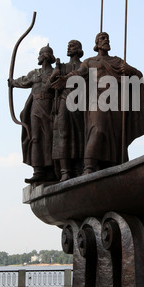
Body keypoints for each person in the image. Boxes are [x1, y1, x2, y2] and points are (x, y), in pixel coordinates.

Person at [52, 32, 144, 174]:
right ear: (96, 44)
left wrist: (130, 70)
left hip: (116, 103)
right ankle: (89, 166)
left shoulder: (118, 61)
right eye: (102, 38)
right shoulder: (89, 62)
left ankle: (111, 166)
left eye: (108, 38)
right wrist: (64, 80)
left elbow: (138, 75)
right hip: (97, 100)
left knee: (115, 136)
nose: (106, 40)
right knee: (97, 129)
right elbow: (77, 74)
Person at [11, 44, 56, 183]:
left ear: (48, 56)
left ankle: (50, 170)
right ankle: (38, 170)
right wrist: (13, 82)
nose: (41, 56)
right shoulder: (34, 73)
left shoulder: (55, 72)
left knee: (49, 138)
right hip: (36, 108)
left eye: (43, 54)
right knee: (35, 138)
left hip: (49, 107)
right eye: (41, 53)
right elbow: (23, 81)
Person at [50, 40, 84, 181]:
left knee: (79, 136)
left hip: (80, 103)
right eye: (68, 45)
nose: (69, 48)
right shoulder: (62, 66)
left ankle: (78, 169)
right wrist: (55, 73)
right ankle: (65, 171)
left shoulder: (84, 65)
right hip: (64, 100)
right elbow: (50, 85)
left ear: (78, 49)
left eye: (72, 46)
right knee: (62, 134)